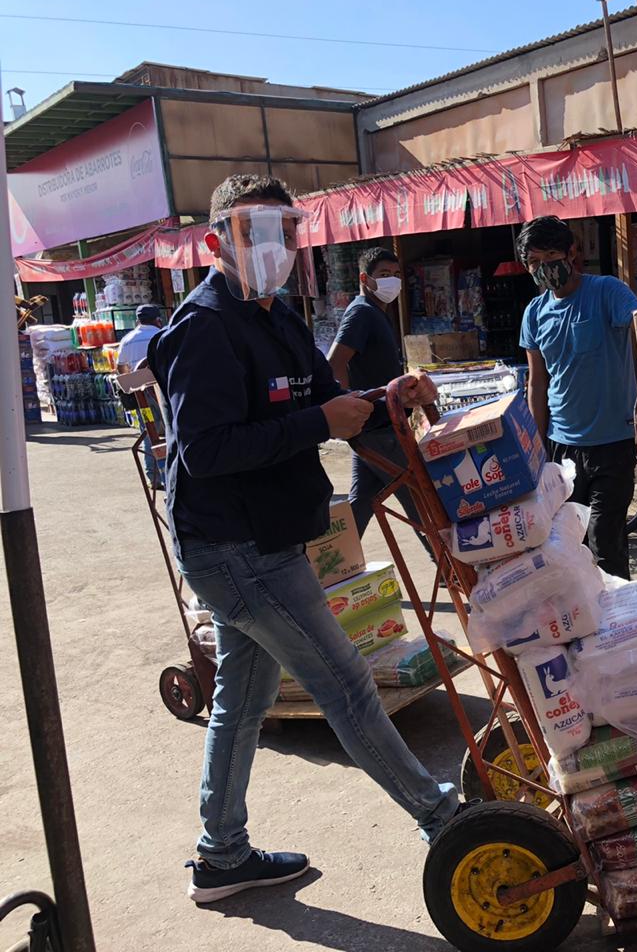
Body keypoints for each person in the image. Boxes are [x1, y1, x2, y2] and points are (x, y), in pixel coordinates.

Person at [147, 174, 457, 905]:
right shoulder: (204, 327)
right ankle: (444, 819)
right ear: (219, 241)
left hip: (269, 536)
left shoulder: (279, 317)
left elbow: (328, 398)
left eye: (287, 233)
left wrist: (389, 396)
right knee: (346, 683)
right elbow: (206, 450)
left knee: (242, 700)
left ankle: (221, 855)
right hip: (233, 547)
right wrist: (321, 425)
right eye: (260, 233)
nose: (278, 248)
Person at [519, 215, 637, 579]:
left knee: (606, 544)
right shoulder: (535, 313)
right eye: (535, 263)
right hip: (562, 450)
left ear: (572, 252)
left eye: (551, 256)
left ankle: (620, 627)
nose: (545, 269)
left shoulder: (607, 291)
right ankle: (589, 626)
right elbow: (536, 384)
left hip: (613, 444)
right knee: (571, 548)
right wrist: (537, 448)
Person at [326, 247, 430, 545]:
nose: (392, 282)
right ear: (364, 279)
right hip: (379, 429)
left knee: (361, 501)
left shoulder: (376, 314)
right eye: (384, 275)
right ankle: (448, 567)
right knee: (420, 498)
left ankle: (335, 565)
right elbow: (335, 364)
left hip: (375, 426)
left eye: (397, 275)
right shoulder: (362, 313)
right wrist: (352, 406)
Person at [116, 304, 165, 486]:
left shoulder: (127, 339)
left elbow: (121, 369)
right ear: (157, 320)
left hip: (142, 397)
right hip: (163, 393)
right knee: (170, 431)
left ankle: (154, 476)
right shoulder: (161, 335)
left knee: (148, 431)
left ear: (138, 320)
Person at [116, 304, 164, 372]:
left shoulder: (126, 340)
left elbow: (121, 367)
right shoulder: (163, 336)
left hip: (138, 381)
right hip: (164, 381)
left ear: (137, 321)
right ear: (158, 320)